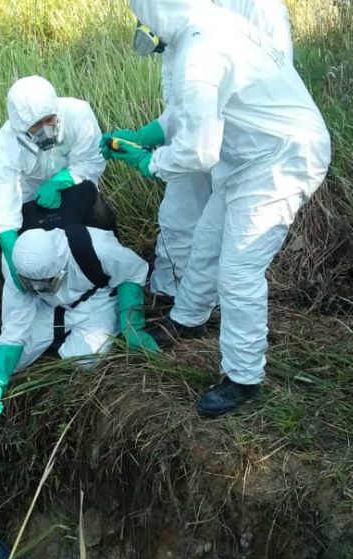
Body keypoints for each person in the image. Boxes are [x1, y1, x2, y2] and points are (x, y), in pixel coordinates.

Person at [104, 0, 331, 417]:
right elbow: (190, 111)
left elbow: (199, 150)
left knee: (239, 269)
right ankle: (188, 318)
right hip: (254, 156)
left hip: (283, 156)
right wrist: (145, 134)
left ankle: (244, 377)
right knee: (209, 239)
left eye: (140, 15)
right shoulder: (207, 25)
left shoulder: (200, 49)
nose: (140, 25)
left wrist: (148, 161)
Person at [111, 0, 294, 303]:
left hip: (246, 139)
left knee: (232, 230)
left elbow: (270, 79)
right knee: (178, 212)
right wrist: (150, 133)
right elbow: (183, 98)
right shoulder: (177, 13)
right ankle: (169, 293)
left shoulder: (260, 7)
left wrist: (153, 161)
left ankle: (214, 301)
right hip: (197, 132)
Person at [0, 226, 158, 422]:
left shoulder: (93, 246)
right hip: (47, 308)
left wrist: (132, 326)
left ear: (60, 265)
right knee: (14, 352)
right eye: (31, 284)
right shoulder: (17, 270)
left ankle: (56, 346)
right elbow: (14, 331)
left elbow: (133, 271)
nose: (38, 287)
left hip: (95, 302)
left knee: (86, 360)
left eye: (46, 283)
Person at [0, 76, 112, 290]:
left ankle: (103, 273)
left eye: (49, 119)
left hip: (75, 185)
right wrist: (11, 251)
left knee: (94, 233)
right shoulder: (6, 142)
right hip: (31, 198)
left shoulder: (78, 114)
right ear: (21, 127)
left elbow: (91, 161)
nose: (45, 128)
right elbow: (4, 199)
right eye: (36, 125)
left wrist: (58, 182)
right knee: (34, 255)